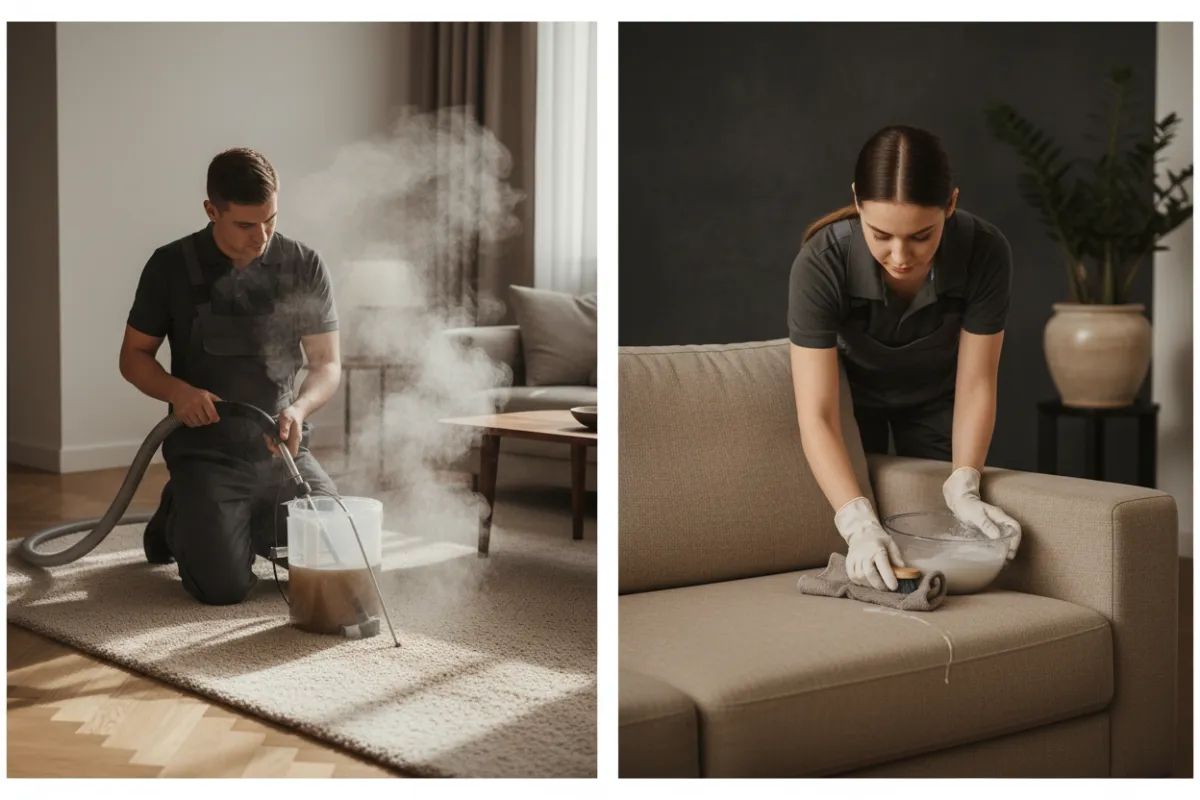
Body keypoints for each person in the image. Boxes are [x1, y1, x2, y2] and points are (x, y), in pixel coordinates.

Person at [787, 125, 1022, 592]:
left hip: (939, 399)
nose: (900, 256)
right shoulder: (821, 262)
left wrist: (965, 483)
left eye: (921, 235)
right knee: (860, 548)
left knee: (941, 539)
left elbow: (977, 383)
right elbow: (817, 413)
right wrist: (857, 524)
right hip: (849, 407)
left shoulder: (985, 250)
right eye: (880, 235)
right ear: (857, 201)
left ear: (950, 205)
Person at [119, 148, 342, 605]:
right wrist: (178, 392)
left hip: (281, 451)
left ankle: (244, 521)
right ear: (211, 210)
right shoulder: (170, 266)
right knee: (222, 588)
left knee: (331, 553)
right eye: (245, 225)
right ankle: (183, 511)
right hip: (206, 451)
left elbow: (326, 363)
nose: (261, 237)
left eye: (271, 220)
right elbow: (134, 357)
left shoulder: (303, 264)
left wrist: (299, 409)